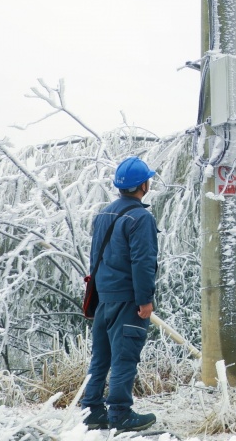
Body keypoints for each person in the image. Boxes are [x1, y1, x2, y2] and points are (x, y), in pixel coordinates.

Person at [79, 157, 160, 433]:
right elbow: (143, 261)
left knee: (100, 356)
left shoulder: (103, 215)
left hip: (104, 297)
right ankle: (121, 415)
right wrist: (145, 300)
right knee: (125, 357)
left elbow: (95, 259)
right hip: (127, 299)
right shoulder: (141, 218)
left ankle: (91, 410)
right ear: (143, 185)